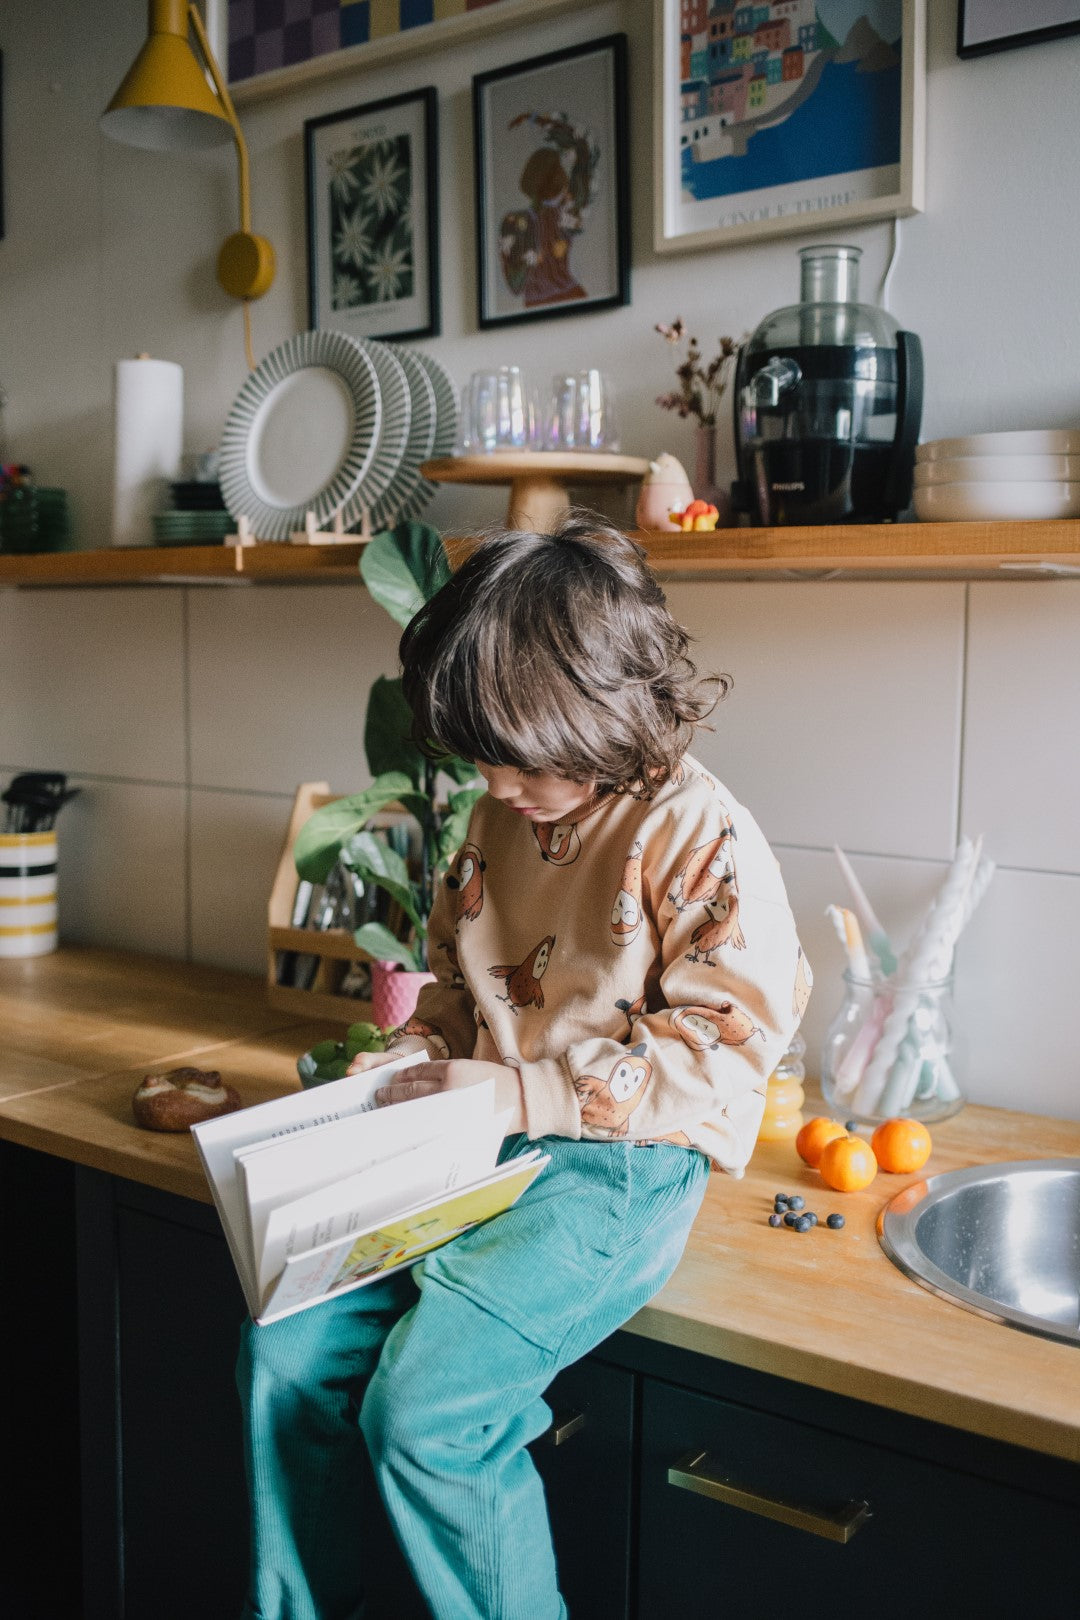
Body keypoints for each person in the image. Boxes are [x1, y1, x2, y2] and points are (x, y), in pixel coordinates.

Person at [237, 513, 809, 1620]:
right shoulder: (500, 818)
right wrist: (415, 1055)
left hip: (622, 1165)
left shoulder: (696, 831)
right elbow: (465, 989)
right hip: (478, 1138)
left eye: (513, 756)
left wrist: (520, 1090)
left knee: (428, 1415)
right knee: (285, 1361)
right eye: (478, 757)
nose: (493, 784)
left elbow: (729, 1047)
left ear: (596, 711)